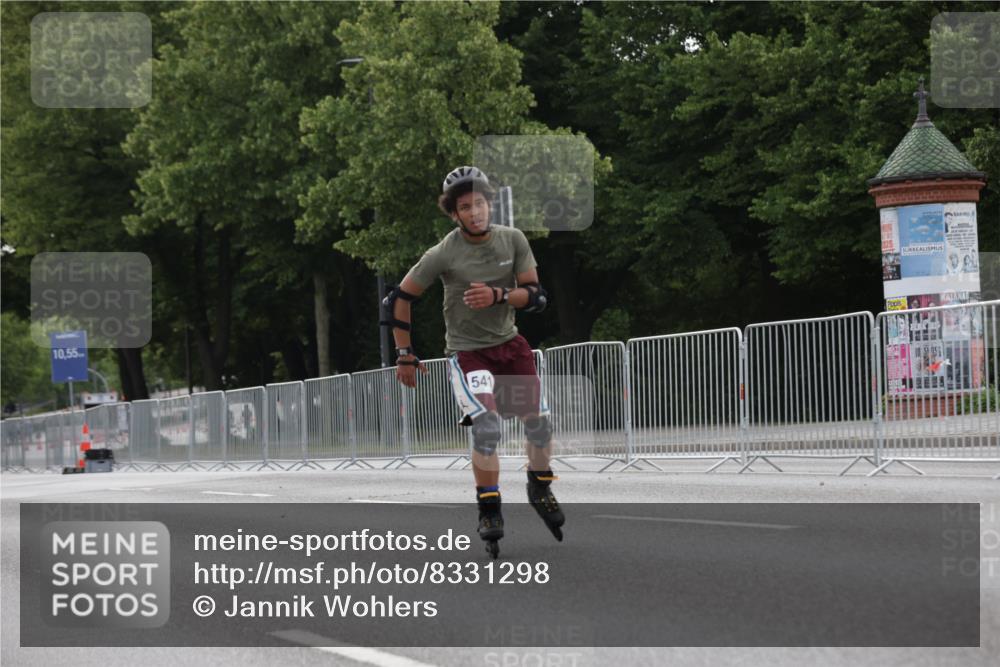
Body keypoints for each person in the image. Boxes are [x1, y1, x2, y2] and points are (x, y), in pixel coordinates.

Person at [383, 166, 565, 557]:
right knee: (487, 427)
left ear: (490, 204)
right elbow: (397, 300)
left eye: (481, 203)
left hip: (510, 346)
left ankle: (539, 484)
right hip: (470, 354)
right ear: (454, 214)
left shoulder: (513, 240)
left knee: (538, 426)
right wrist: (405, 354)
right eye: (466, 207)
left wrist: (499, 296)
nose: (476, 212)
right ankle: (489, 507)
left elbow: (536, 295)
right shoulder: (444, 252)